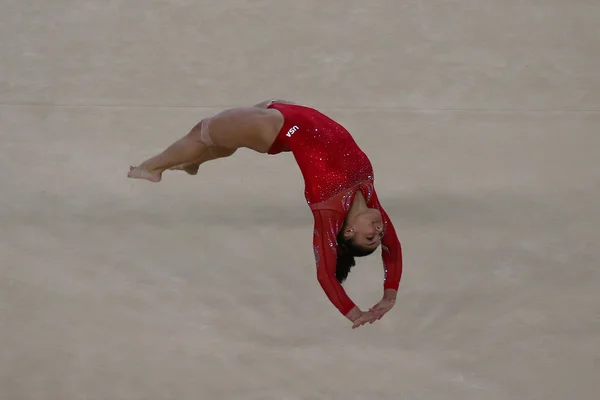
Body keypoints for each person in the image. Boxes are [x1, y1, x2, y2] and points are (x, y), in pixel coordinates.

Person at [128, 100, 403, 329]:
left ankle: (151, 168)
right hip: (287, 116)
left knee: (203, 131)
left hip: (278, 127)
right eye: (378, 235)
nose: (379, 231)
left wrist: (354, 313)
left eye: (371, 237)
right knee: (224, 141)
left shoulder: (328, 211)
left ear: (349, 231)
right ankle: (193, 163)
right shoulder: (369, 199)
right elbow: (393, 247)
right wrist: (389, 295)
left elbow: (325, 275)